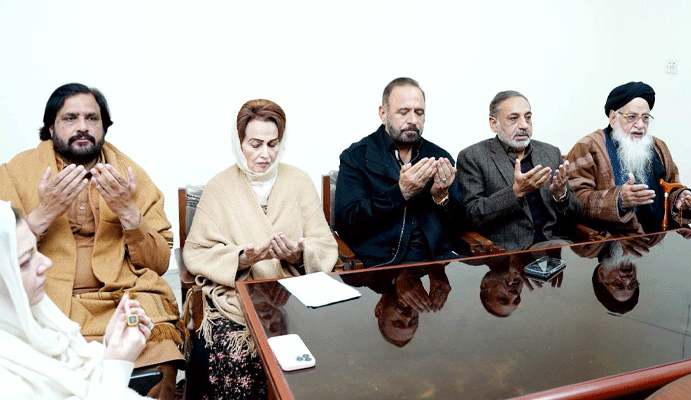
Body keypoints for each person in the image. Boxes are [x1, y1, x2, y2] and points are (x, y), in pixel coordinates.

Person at [0, 83, 183, 398]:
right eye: (70, 118)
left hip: (122, 299)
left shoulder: (130, 176)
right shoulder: (15, 173)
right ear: (50, 127)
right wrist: (44, 213)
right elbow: (4, 258)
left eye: (92, 118)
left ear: (104, 126)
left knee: (160, 352)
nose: (82, 126)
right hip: (50, 303)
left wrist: (128, 212)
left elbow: (159, 262)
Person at [182, 99, 338, 399]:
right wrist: (242, 258)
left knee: (330, 343)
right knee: (235, 354)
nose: (265, 154)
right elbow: (196, 251)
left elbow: (323, 242)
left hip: (293, 293)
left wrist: (297, 255)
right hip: (237, 297)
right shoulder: (219, 187)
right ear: (239, 142)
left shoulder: (299, 181)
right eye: (255, 145)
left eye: (273, 144)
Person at [0, 201, 155, 399]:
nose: (46, 262)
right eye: (25, 262)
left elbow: (80, 380)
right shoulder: (7, 384)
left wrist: (111, 345)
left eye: (37, 251)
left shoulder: (37, 324)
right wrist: (118, 365)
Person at [334, 77, 466, 267]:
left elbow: (461, 226)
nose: (413, 120)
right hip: (381, 265)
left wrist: (441, 197)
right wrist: (400, 192)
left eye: (419, 113)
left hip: (435, 263)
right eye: (403, 112)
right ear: (383, 113)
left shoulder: (438, 157)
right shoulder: (356, 157)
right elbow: (347, 223)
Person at [567, 81, 691, 234]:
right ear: (613, 118)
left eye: (645, 117)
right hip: (613, 241)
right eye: (631, 117)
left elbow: (671, 187)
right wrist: (619, 200)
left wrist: (679, 198)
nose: (640, 125)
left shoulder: (659, 147)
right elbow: (574, 201)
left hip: (658, 238)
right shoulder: (588, 147)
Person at [456, 91, 582, 252]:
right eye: (513, 118)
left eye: (528, 118)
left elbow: (577, 215)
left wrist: (561, 195)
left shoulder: (550, 153)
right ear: (494, 124)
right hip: (507, 253)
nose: (524, 125)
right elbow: (472, 216)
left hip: (555, 246)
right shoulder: (473, 157)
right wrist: (515, 192)